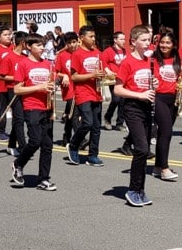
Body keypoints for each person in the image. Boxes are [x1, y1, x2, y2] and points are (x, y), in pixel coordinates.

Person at [115, 25, 156, 207]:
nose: (147, 43)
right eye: (144, 40)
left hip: (147, 107)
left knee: (145, 150)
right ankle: (132, 189)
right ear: (133, 42)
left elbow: (145, 83)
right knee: (140, 148)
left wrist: (153, 83)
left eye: (149, 40)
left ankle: (140, 190)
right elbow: (118, 89)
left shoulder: (150, 61)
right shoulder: (127, 62)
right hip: (132, 108)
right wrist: (139, 94)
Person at [10, 34, 57, 191]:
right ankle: (18, 163)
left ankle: (43, 179)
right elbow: (17, 89)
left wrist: (53, 109)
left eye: (42, 45)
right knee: (35, 141)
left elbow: (50, 87)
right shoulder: (23, 64)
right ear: (28, 47)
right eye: (38, 45)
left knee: (47, 145)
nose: (42, 47)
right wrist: (38, 87)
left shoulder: (48, 64)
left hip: (47, 107)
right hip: (31, 107)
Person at [66, 25, 105, 166]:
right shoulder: (77, 54)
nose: (93, 39)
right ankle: (73, 145)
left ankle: (93, 155)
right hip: (83, 93)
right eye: (91, 36)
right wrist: (92, 75)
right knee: (87, 122)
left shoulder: (98, 52)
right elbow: (74, 77)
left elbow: (103, 70)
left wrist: (107, 75)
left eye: (94, 36)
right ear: (82, 38)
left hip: (96, 92)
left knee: (96, 126)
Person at [152, 29, 181, 180]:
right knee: (166, 131)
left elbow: (180, 78)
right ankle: (164, 168)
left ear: (173, 45)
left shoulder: (177, 59)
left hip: (173, 99)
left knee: (164, 134)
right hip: (158, 98)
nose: (164, 45)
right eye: (162, 42)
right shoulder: (154, 59)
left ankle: (157, 166)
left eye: (167, 43)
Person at [0, 31, 28, 156]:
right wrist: (16, 77)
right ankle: (23, 146)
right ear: (22, 43)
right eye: (29, 43)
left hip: (25, 90)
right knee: (19, 118)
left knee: (19, 118)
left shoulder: (26, 57)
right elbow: (0, 76)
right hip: (13, 89)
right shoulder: (9, 57)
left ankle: (11, 144)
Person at [54, 32, 78, 146]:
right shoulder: (62, 56)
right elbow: (56, 72)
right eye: (69, 43)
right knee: (72, 113)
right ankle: (80, 139)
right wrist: (64, 75)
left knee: (71, 114)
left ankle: (66, 136)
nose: (72, 45)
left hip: (81, 88)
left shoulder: (81, 54)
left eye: (74, 42)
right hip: (69, 89)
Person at [102, 31, 128, 131]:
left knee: (123, 101)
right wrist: (107, 70)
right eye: (121, 39)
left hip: (123, 79)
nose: (123, 41)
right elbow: (102, 61)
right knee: (116, 100)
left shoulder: (125, 51)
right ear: (115, 40)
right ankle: (107, 117)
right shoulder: (108, 51)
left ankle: (119, 123)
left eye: (124, 39)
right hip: (113, 79)